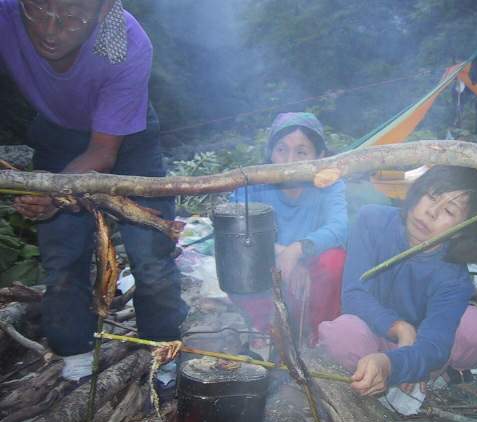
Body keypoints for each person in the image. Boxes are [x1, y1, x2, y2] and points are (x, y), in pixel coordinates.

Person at [0, 0, 187, 363]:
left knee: (151, 257)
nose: (49, 30)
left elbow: (103, 151)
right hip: (56, 133)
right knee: (63, 256)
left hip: (126, 139)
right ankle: (74, 359)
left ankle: (162, 354)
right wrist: (47, 197)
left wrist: (55, 194)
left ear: (102, 10)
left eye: (71, 17)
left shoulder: (128, 42)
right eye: (37, 9)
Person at [318, 165, 477, 396]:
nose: (431, 212)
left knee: (476, 328)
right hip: (374, 332)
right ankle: (386, 374)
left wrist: (393, 365)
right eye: (432, 197)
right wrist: (399, 328)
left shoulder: (454, 277)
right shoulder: (371, 220)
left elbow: (434, 344)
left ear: (462, 231)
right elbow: (354, 294)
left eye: (449, 211)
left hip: (419, 345)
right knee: (343, 333)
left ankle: (437, 370)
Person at [232, 112, 348, 346]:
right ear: (270, 153)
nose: (289, 161)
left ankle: (319, 330)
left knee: (335, 261)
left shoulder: (328, 185)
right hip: (269, 264)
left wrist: (298, 251)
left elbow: (340, 227)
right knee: (236, 257)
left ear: (319, 156)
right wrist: (284, 253)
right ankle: (265, 326)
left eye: (301, 152)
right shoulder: (254, 183)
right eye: (281, 150)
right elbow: (237, 228)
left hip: (311, 269)